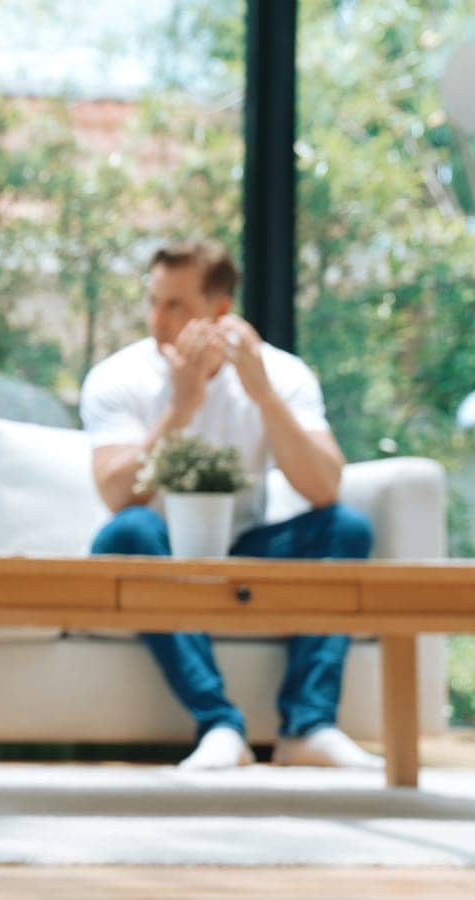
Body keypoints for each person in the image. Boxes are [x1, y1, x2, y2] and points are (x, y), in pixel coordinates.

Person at [82, 239, 380, 771]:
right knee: (125, 533)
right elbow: (115, 492)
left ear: (220, 311)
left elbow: (323, 488)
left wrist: (262, 394)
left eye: (177, 306)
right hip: (160, 553)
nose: (158, 320)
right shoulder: (117, 378)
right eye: (153, 301)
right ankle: (220, 724)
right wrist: (181, 408)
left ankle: (308, 728)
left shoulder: (281, 375)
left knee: (346, 528)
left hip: (245, 550)